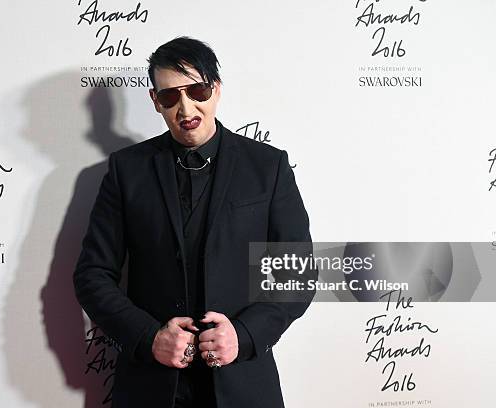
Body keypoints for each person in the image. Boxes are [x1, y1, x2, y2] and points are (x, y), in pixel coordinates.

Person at [73, 36, 316, 408]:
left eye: (197, 90)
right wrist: (148, 337)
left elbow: (296, 274)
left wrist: (245, 334)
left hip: (244, 383)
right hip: (151, 385)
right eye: (170, 96)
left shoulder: (268, 167)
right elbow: (92, 275)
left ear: (216, 90)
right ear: (155, 102)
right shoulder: (127, 171)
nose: (186, 107)